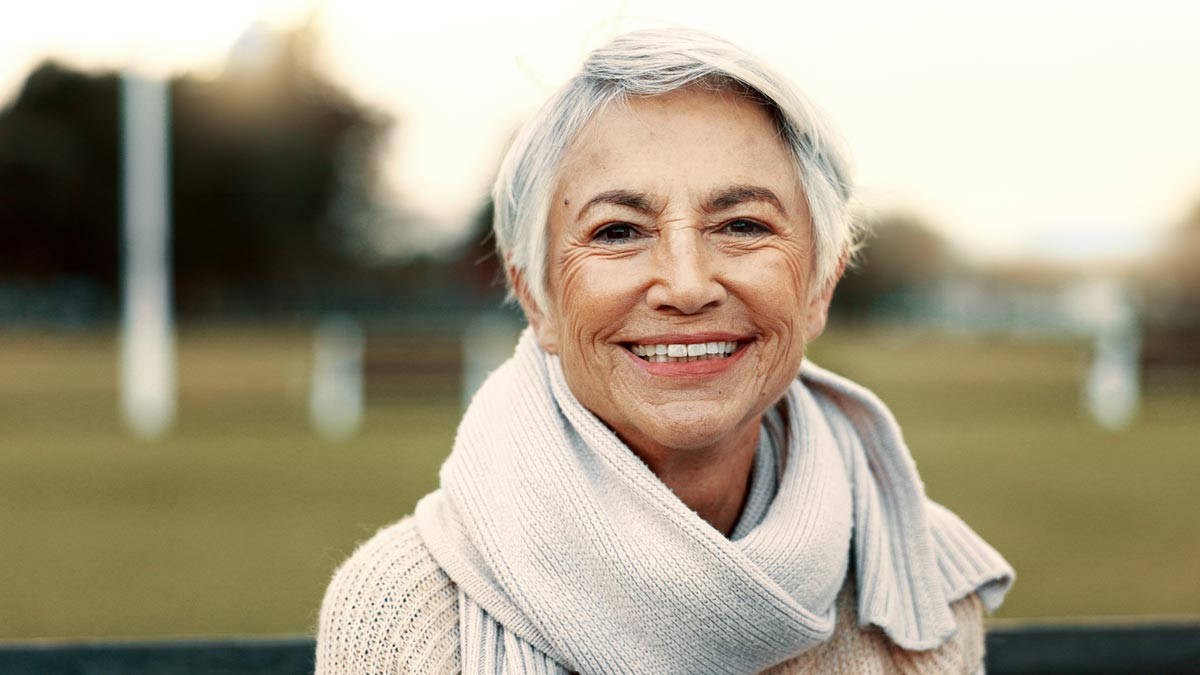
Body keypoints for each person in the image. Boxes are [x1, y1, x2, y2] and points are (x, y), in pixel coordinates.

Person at [316, 27, 1013, 675]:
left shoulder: (919, 594)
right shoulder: (406, 618)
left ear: (820, 286)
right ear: (536, 298)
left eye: (741, 224)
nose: (685, 283)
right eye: (618, 231)